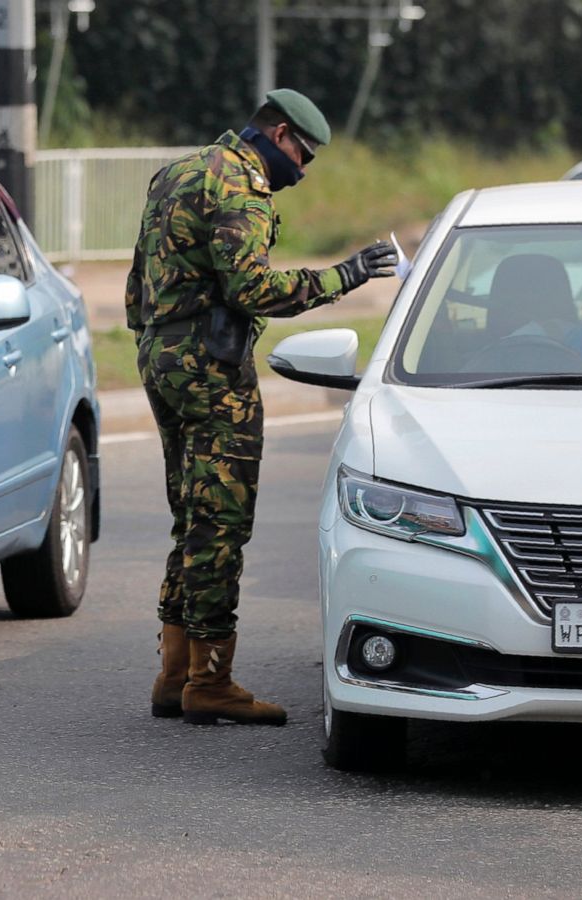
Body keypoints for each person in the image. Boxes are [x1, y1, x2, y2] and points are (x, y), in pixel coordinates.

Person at [125, 88, 396, 726]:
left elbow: (139, 283)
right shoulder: (240, 188)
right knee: (221, 523)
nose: (301, 174)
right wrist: (345, 276)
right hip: (212, 372)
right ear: (277, 135)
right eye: (301, 157)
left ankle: (174, 673)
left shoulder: (179, 173)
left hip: (161, 361)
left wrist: (165, 344)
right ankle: (208, 683)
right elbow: (253, 288)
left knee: (191, 515)